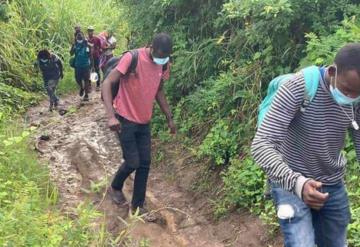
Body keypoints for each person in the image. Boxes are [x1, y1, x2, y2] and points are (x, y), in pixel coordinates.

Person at [251, 43, 360, 247]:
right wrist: (298, 184)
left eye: (358, 93)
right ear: (332, 71)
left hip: (332, 183)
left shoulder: (356, 97)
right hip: (290, 181)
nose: (352, 98)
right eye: (348, 90)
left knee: (336, 243)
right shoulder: (299, 86)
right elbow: (261, 144)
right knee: (301, 243)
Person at [102, 33, 176, 218]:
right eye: (159, 55)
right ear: (151, 46)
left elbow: (159, 90)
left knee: (144, 164)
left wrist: (169, 117)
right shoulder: (132, 58)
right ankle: (115, 187)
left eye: (165, 57)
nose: (161, 60)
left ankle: (138, 206)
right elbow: (107, 83)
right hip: (124, 118)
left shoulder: (164, 63)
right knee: (133, 161)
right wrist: (111, 116)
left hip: (144, 121)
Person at [70, 32, 91, 101]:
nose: (79, 36)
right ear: (76, 37)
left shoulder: (86, 44)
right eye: (78, 35)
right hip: (77, 65)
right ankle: (81, 87)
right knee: (77, 79)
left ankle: (86, 95)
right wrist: (73, 47)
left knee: (86, 80)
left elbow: (90, 55)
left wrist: (92, 66)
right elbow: (71, 53)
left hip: (86, 65)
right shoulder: (75, 44)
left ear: (83, 36)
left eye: (80, 34)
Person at [87, 26, 102, 90]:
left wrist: (98, 54)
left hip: (96, 56)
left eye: (91, 31)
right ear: (87, 32)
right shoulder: (86, 39)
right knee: (89, 70)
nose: (90, 32)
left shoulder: (97, 39)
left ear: (93, 31)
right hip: (88, 57)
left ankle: (98, 85)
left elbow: (100, 47)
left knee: (96, 70)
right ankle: (89, 85)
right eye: (89, 31)